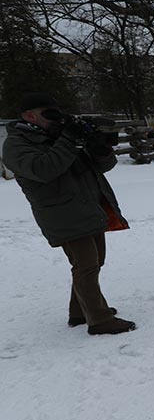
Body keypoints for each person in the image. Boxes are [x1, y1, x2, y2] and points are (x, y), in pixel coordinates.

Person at [3, 92, 135, 334]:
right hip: (61, 212)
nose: (56, 118)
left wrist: (100, 148)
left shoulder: (57, 136)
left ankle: (79, 311)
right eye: (48, 113)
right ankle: (99, 320)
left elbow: (102, 167)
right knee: (86, 264)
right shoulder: (17, 144)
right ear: (29, 116)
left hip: (87, 206)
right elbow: (44, 170)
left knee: (94, 262)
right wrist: (70, 140)